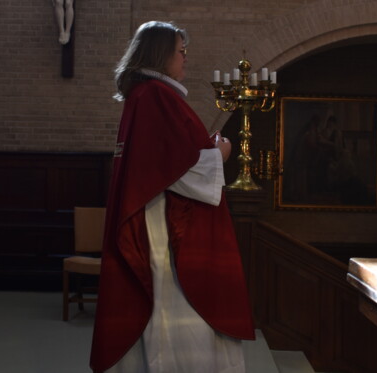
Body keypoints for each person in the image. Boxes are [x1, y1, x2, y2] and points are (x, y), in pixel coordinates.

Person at [89, 21, 255, 373]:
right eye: (181, 51)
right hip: (163, 226)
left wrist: (204, 151)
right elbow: (170, 169)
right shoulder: (156, 96)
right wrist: (220, 155)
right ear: (160, 53)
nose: (185, 59)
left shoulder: (145, 95)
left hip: (158, 214)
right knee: (172, 308)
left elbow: (164, 157)